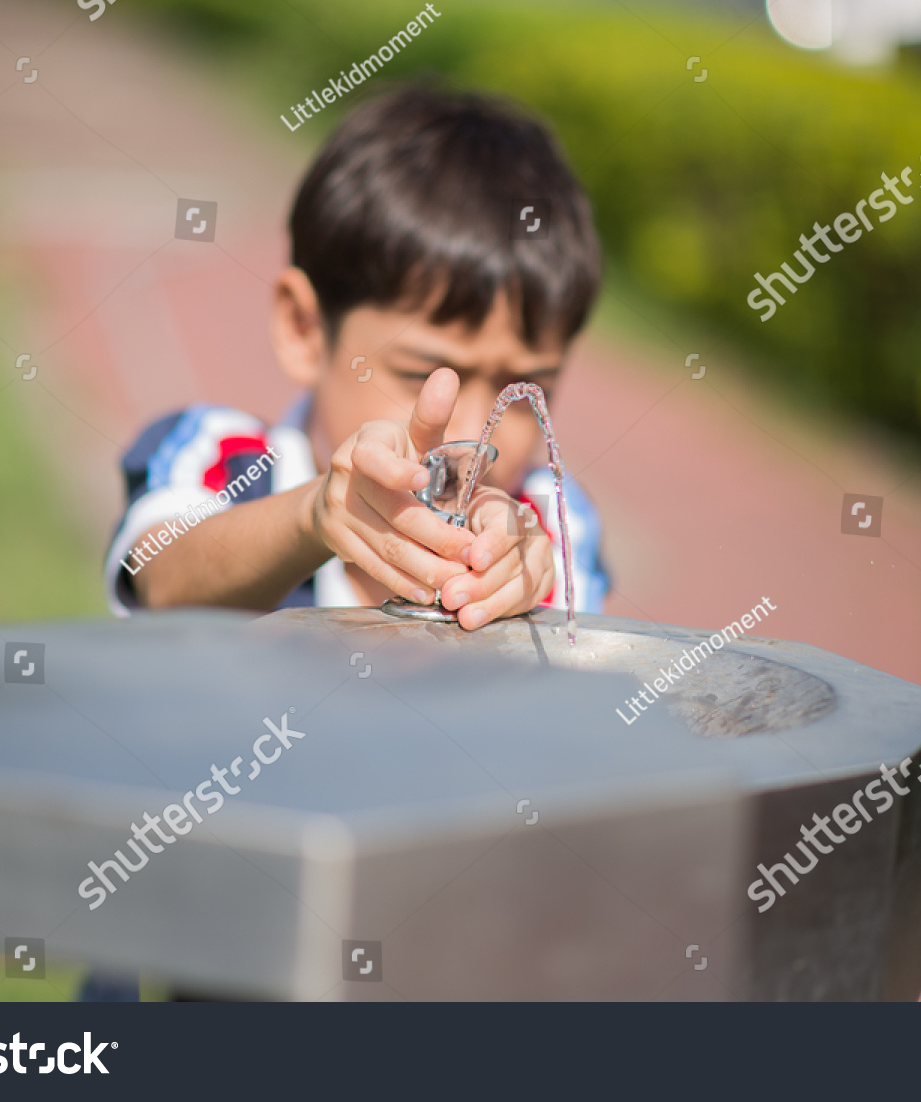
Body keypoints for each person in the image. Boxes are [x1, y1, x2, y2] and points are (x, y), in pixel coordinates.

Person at [80, 83, 610, 1002]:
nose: (474, 436)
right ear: (300, 327)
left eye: (527, 388)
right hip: (203, 963)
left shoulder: (547, 517)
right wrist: (309, 518)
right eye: (421, 374)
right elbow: (162, 580)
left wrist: (524, 582)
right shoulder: (228, 459)